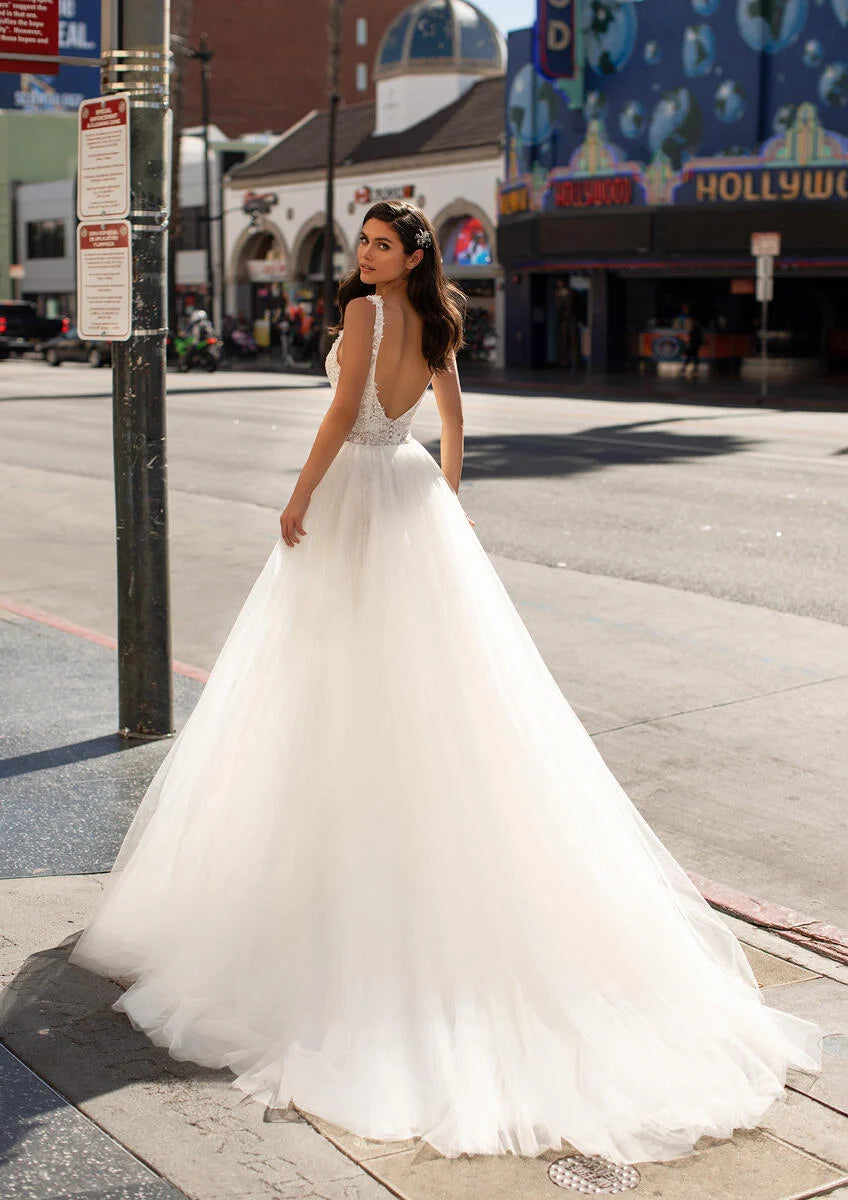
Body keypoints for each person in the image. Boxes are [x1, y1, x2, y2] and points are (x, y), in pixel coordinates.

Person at [70, 201, 822, 1166]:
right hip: (410, 493)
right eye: (362, 246)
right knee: (424, 688)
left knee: (328, 677)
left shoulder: (363, 316)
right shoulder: (441, 322)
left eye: (381, 246)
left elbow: (345, 415)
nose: (365, 257)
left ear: (412, 252)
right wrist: (446, 504)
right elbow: (455, 421)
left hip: (354, 494)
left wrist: (300, 494)